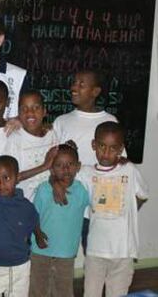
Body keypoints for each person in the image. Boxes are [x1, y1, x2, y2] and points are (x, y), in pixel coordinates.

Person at [53, 69, 121, 253]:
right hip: (68, 200)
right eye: (74, 82)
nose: (74, 87)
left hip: (98, 204)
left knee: (97, 252)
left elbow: (119, 162)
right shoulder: (62, 121)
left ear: (95, 91)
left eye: (81, 84)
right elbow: (52, 162)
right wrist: (55, 184)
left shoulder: (109, 121)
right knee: (61, 249)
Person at [79, 122, 148, 297]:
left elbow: (142, 195)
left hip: (122, 251)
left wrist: (128, 212)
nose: (106, 153)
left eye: (112, 148)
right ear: (94, 145)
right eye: (102, 146)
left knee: (117, 294)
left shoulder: (129, 170)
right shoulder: (85, 173)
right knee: (91, 293)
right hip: (95, 249)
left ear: (120, 149)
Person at [29, 141, 90, 297]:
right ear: (51, 169)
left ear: (78, 166)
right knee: (38, 290)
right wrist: (37, 235)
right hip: (40, 250)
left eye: (70, 164)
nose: (65, 169)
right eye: (59, 165)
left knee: (63, 291)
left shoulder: (82, 190)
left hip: (66, 253)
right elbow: (33, 216)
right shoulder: (43, 189)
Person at [0, 156, 38, 297]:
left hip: (20, 268)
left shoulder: (25, 205)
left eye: (6, 178)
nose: (1, 184)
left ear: (17, 178)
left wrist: (39, 235)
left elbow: (34, 220)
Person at [5, 90, 58, 201]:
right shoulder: (15, 139)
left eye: (36, 108)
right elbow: (11, 178)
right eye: (24, 109)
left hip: (50, 203)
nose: (30, 112)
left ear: (44, 112)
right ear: (18, 114)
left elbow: (56, 168)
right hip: (25, 204)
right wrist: (44, 166)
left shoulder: (52, 134)